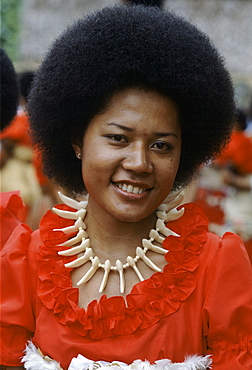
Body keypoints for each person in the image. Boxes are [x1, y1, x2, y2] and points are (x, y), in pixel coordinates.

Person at [1, 5, 252, 370]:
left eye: (161, 145)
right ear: (76, 140)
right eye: (118, 138)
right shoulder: (24, 261)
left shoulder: (218, 268)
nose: (139, 163)